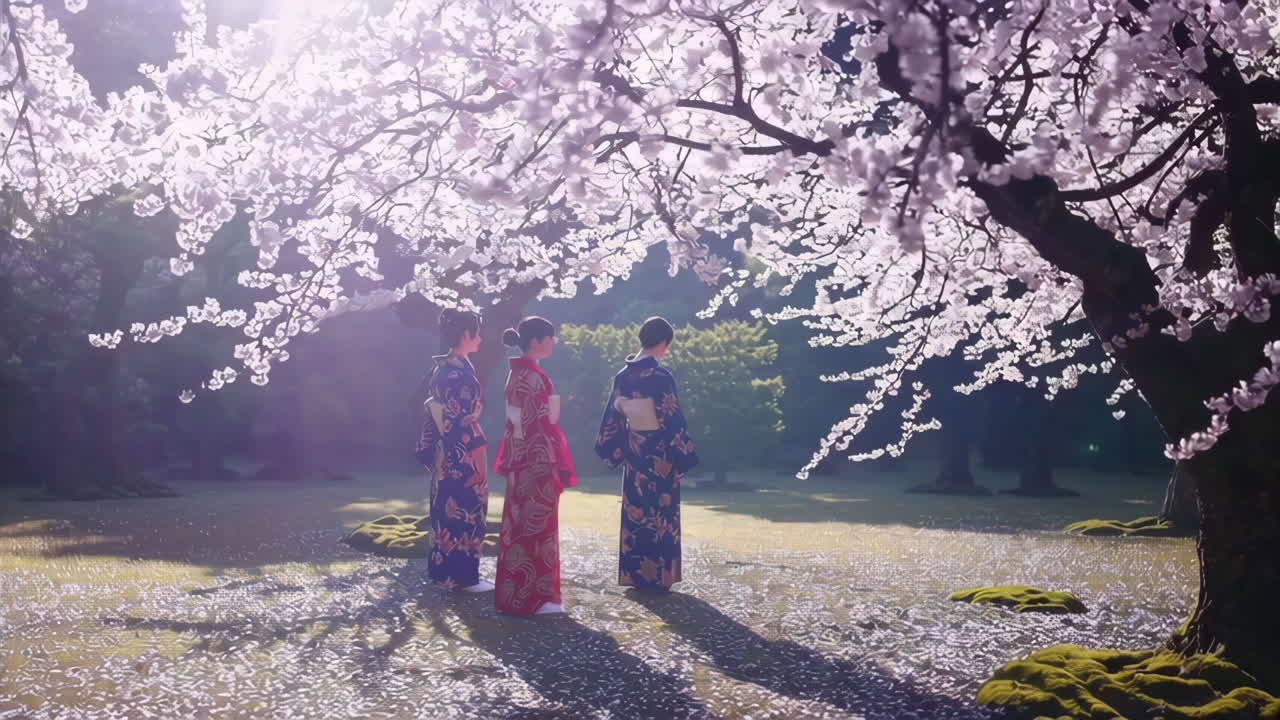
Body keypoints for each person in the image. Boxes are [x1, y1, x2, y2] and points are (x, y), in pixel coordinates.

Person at [594, 317, 698, 592]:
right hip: (661, 455)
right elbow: (671, 418)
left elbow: (612, 418)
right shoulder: (661, 377)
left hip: (635, 451)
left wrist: (613, 449)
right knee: (660, 513)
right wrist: (685, 453)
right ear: (664, 342)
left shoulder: (622, 376)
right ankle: (659, 578)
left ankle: (636, 574)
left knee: (636, 513)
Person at [493, 316, 577, 616]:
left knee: (517, 526)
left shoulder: (515, 375)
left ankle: (514, 594)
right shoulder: (536, 377)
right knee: (539, 527)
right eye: (550, 338)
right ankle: (538, 598)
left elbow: (515, 423)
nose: (553, 343)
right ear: (538, 341)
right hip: (537, 460)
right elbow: (544, 423)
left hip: (519, 459)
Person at [415, 308, 492, 592]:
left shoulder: (449, 368)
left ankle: (445, 573)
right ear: (465, 334)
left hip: (449, 446)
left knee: (448, 510)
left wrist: (430, 449)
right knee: (465, 508)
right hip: (461, 448)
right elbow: (456, 418)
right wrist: (464, 456)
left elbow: (438, 412)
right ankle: (463, 576)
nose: (480, 338)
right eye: (477, 333)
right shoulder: (455, 373)